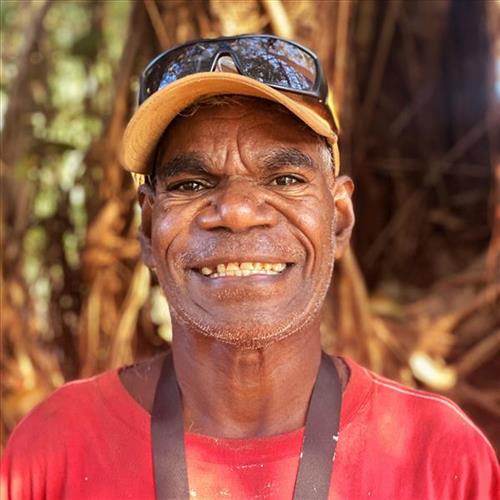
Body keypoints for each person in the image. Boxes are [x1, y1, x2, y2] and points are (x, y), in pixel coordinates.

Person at [1, 35, 498, 500]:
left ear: (339, 219)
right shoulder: (57, 446)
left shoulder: (440, 457)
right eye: (192, 185)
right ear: (149, 227)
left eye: (284, 179)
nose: (237, 211)